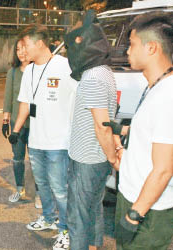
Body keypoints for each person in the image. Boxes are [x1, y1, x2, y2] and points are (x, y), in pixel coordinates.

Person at [9, 24, 77, 250]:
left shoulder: (65, 66)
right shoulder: (28, 70)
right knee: (43, 185)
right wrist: (16, 130)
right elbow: (25, 103)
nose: (23, 50)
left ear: (40, 44)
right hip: (36, 140)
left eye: (26, 45)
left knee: (60, 188)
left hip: (59, 142)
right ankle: (48, 217)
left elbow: (79, 101)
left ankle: (66, 229)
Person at [112, 12, 173, 250]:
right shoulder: (155, 86)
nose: (127, 50)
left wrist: (134, 215)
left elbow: (164, 170)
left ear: (152, 48)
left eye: (132, 44)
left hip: (147, 214)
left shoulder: (168, 96)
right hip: (132, 196)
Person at [64, 11, 118, 250]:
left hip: (88, 159)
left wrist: (113, 158)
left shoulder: (93, 77)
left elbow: (102, 125)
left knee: (78, 216)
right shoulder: (103, 71)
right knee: (93, 209)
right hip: (91, 158)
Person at [2, 39, 31, 202]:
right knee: (18, 158)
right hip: (16, 124)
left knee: (36, 160)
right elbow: (8, 98)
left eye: (24, 48)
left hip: (35, 124)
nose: (20, 52)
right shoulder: (13, 72)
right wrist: (5, 120)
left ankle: (41, 194)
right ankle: (20, 190)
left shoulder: (38, 70)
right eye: (18, 49)